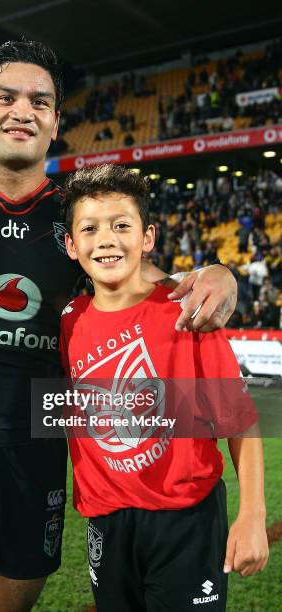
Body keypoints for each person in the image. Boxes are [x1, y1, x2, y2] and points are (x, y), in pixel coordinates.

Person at [0, 41, 238, 612]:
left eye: (40, 101)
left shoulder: (75, 220)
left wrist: (216, 272)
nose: (22, 111)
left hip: (34, 458)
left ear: (56, 122)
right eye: (6, 97)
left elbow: (149, 279)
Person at [59, 164, 268, 611]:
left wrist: (252, 514)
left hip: (185, 519)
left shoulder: (188, 312)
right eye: (91, 228)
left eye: (122, 225)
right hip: (106, 522)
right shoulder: (70, 321)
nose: (107, 239)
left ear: (147, 237)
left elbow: (239, 419)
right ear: (72, 245)